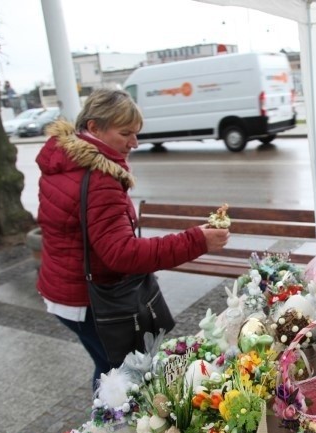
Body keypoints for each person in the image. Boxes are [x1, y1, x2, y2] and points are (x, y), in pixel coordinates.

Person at [35, 88, 229, 389]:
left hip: (63, 289)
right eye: (126, 133)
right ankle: (109, 432)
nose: (134, 143)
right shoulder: (99, 177)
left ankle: (105, 425)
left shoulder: (64, 161)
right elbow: (122, 254)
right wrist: (197, 241)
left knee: (107, 367)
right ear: (94, 127)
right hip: (91, 300)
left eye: (136, 133)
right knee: (125, 377)